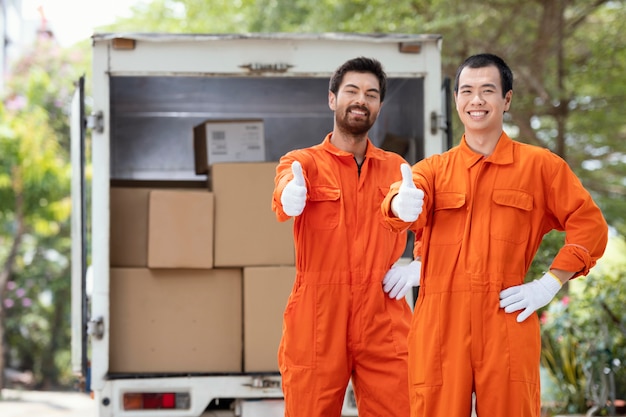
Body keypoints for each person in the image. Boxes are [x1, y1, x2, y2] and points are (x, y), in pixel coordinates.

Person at [380, 53, 608, 417]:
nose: (477, 100)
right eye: (467, 91)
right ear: (456, 101)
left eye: (488, 90)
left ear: (507, 100)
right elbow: (404, 198)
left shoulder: (540, 167)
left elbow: (590, 224)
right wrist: (399, 203)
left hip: (506, 315)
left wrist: (549, 284)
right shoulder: (434, 170)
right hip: (440, 325)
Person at [272, 56, 420, 417]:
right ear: (332, 99)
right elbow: (282, 190)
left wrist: (420, 266)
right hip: (318, 316)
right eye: (351, 91)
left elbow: (440, 230)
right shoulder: (302, 162)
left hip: (383, 314)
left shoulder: (395, 168)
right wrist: (289, 196)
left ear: (379, 106)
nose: (360, 100)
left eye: (371, 94)